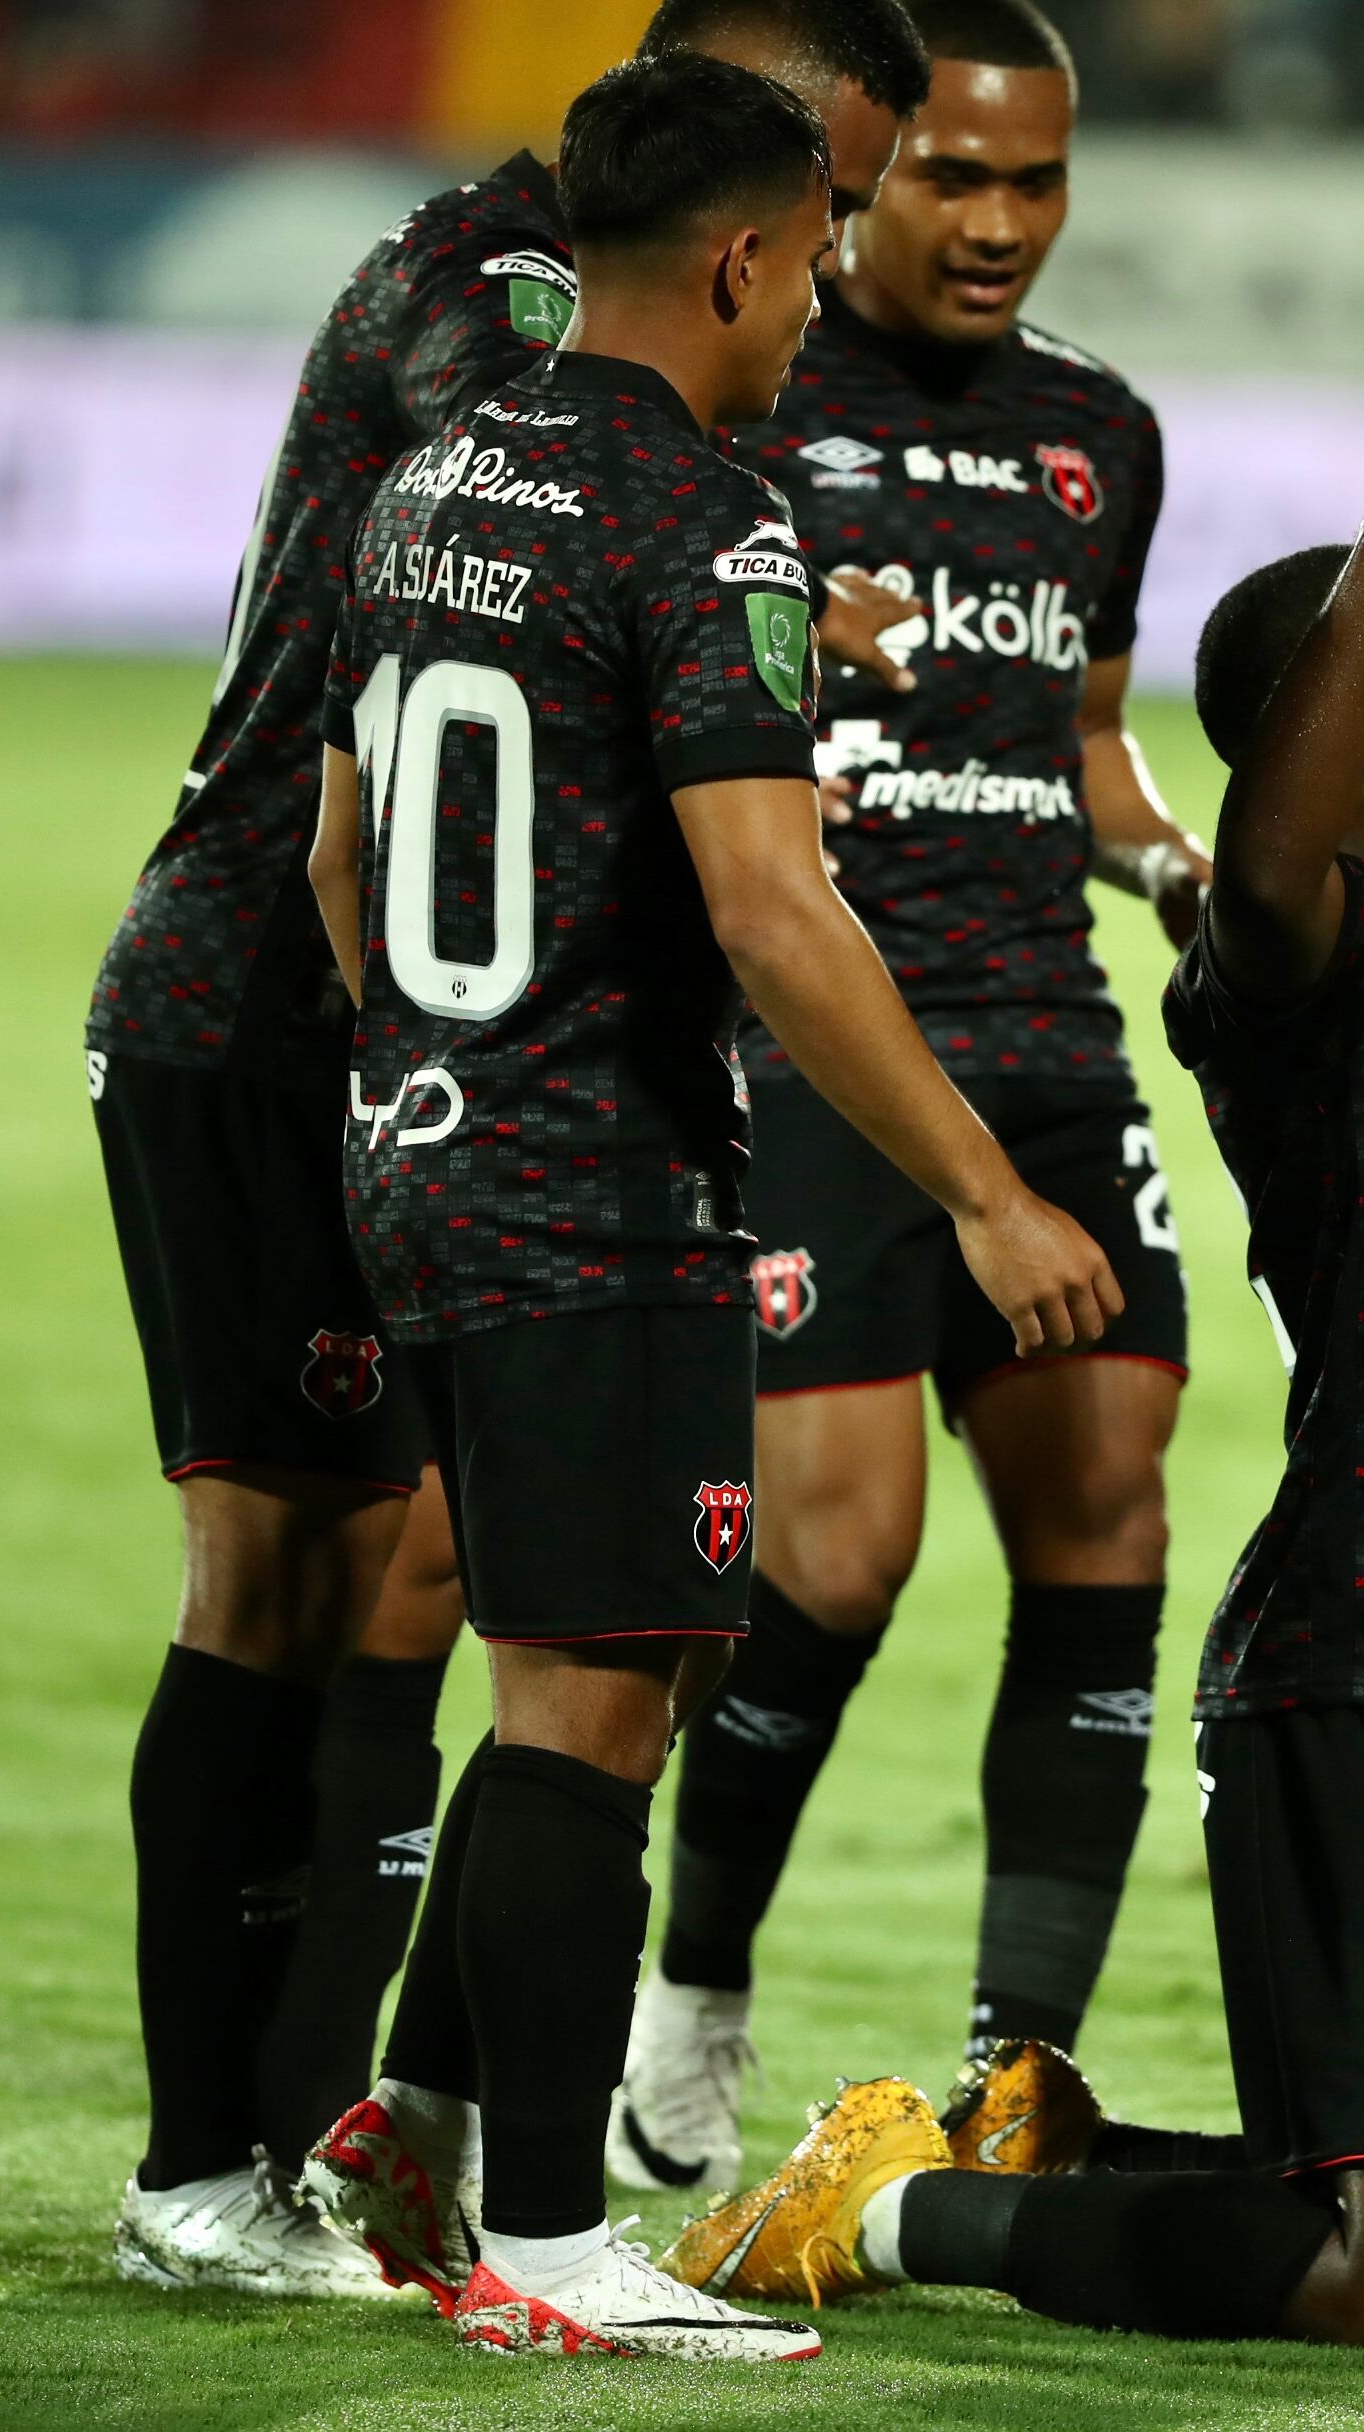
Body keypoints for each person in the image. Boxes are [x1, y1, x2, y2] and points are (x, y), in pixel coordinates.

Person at [667, 177, 1364, 2350]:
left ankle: (1066, 2156)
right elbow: (1268, 843)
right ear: (1351, 742)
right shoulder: (1299, 969)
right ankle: (899, 2210)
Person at [82, 0, 928, 2296]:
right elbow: (534, 596)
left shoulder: (496, 296)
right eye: (825, 184)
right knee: (302, 1587)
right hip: (281, 1010)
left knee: (468, 1590)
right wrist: (735, 657)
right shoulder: (512, 311)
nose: (832, 252)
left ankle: (383, 2132)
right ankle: (220, 2167)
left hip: (404, 1023)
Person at [287, 51, 1120, 2362]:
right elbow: (776, 915)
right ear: (750, 254)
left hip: (424, 1150)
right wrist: (981, 1195)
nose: (817, 302)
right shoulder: (705, 506)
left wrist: (425, 1074)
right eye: (815, 256)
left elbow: (345, 856)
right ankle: (551, 2240)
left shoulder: (439, 469)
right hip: (596, 1187)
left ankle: (418, 2118)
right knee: (596, 1699)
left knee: (601, 1650)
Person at [611, 0, 1217, 2200]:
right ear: (855, 181)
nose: (996, 224)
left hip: (1047, 1035)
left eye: (1038, 182)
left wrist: (1173, 857)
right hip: (824, 1042)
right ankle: (697, 1976)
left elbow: (1087, 736)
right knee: (838, 1548)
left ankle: (1015, 2074)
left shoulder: (1098, 435)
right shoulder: (747, 386)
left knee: (1113, 1512)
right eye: (953, 175)